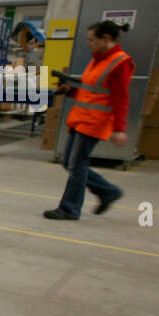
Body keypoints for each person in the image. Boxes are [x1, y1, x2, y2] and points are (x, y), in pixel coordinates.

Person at [43, 21, 132, 220]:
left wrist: (119, 128)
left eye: (91, 39)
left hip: (95, 122)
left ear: (105, 39)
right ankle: (108, 191)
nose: (88, 43)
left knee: (77, 165)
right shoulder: (98, 60)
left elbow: (120, 98)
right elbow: (92, 89)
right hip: (82, 118)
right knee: (69, 163)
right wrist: (70, 90)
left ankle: (69, 208)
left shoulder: (120, 63)